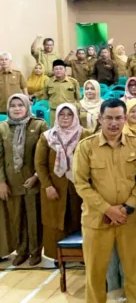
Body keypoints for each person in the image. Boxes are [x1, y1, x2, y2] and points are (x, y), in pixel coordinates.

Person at [73, 98, 136, 303]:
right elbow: (81, 184)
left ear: (124, 119)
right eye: (109, 118)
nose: (114, 123)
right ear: (100, 119)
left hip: (129, 219)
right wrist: (108, 209)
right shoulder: (86, 147)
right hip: (96, 220)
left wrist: (126, 208)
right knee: (95, 270)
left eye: (118, 118)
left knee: (133, 268)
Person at [34, 103, 88, 258]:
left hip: (78, 187)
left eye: (69, 114)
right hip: (54, 188)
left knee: (77, 219)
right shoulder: (47, 137)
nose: (65, 118)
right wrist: (47, 186)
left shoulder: (84, 134)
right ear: (56, 117)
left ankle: (79, 255)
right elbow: (40, 164)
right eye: (61, 115)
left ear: (75, 116)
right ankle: (57, 255)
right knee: (55, 222)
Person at [0, 94, 47, 265]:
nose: (17, 108)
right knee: (16, 218)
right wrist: (1, 182)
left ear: (27, 107)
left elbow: (45, 156)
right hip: (11, 181)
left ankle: (35, 251)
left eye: (21, 105)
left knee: (34, 218)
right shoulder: (2, 127)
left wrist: (36, 176)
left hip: (32, 180)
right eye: (13, 105)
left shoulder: (39, 125)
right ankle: (21, 250)